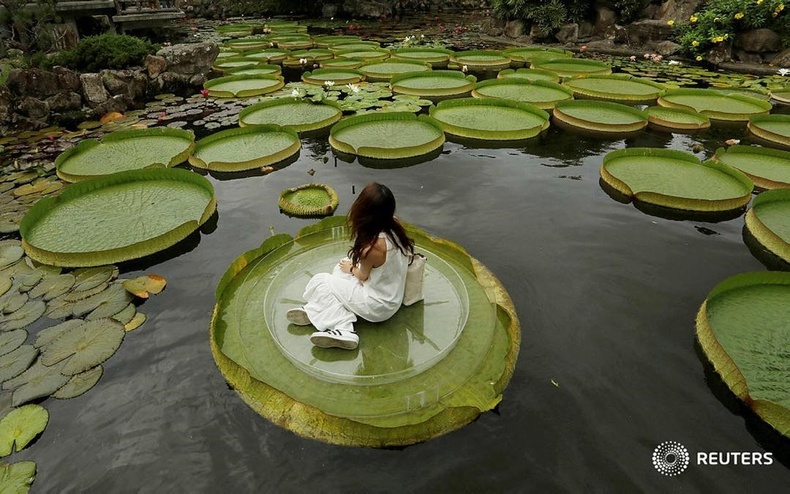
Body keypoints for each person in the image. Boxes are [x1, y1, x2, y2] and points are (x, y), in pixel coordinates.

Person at [287, 183, 415, 350]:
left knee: (322, 281)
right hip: (392, 297)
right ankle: (316, 310)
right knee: (340, 268)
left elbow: (362, 276)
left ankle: (344, 329)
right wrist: (349, 268)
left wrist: (351, 269)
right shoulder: (396, 225)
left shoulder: (372, 249)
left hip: (377, 306)